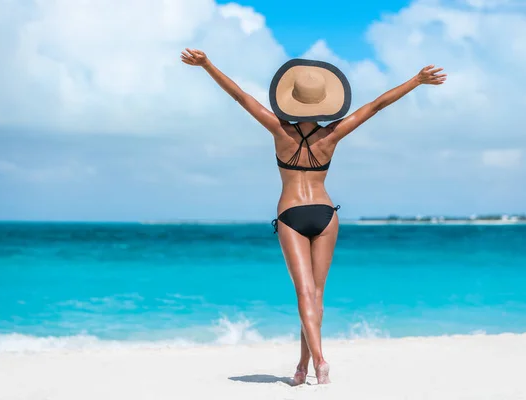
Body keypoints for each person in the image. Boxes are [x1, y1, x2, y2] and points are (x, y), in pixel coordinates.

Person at [181, 48, 446, 385]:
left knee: (304, 294)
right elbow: (376, 105)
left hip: (291, 214)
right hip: (325, 214)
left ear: (290, 100)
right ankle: (303, 366)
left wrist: (207, 65)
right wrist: (417, 80)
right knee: (316, 296)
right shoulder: (331, 135)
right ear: (324, 102)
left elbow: (239, 96)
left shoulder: (280, 131)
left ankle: (320, 360)